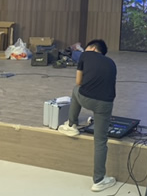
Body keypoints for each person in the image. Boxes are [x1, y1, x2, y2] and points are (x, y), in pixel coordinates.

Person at [58, 39, 117, 192]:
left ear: (92, 48)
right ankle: (99, 180)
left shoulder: (85, 55)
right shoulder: (111, 63)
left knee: (76, 90)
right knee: (100, 141)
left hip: (86, 99)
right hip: (105, 104)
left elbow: (79, 81)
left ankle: (71, 125)